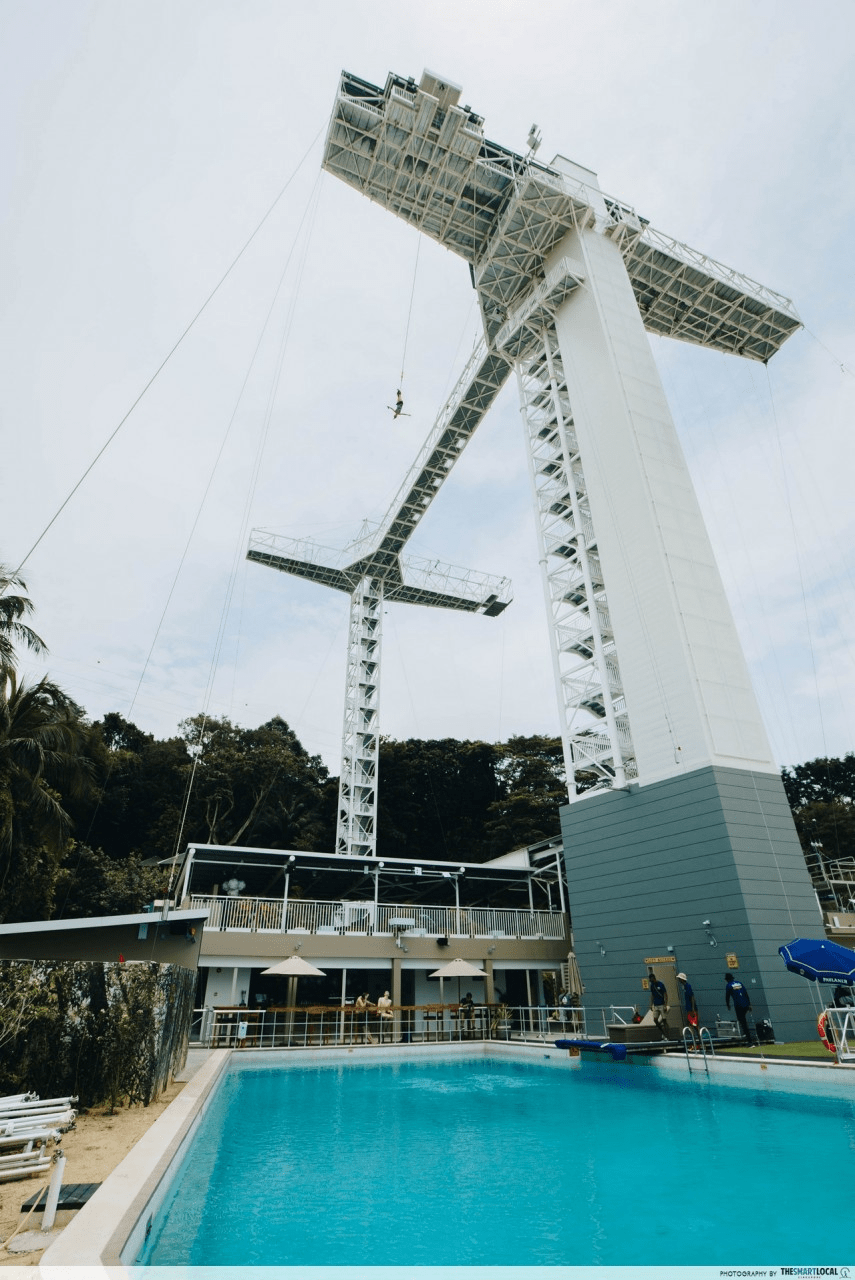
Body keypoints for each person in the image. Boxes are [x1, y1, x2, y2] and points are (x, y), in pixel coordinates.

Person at [725, 972, 754, 1042]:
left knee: (742, 1021)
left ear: (727, 979)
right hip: (745, 1004)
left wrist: (728, 1005)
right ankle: (747, 1035)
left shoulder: (729, 985)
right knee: (743, 1020)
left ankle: (749, 1040)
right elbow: (745, 993)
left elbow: (727, 997)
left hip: (738, 1005)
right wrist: (749, 1004)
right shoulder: (739, 983)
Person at [677, 972, 699, 1042]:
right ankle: (695, 1040)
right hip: (689, 1008)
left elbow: (692, 997)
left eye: (679, 979)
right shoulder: (684, 986)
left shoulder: (687, 986)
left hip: (691, 1008)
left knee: (695, 1025)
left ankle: (698, 1040)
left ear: (682, 979)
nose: (679, 980)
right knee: (690, 1024)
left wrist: (693, 1009)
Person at [648, 967, 669, 1039]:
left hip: (661, 1004)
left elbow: (665, 994)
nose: (652, 982)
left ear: (654, 978)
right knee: (655, 1020)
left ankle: (667, 1034)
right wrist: (651, 1004)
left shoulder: (660, 984)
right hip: (656, 1004)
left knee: (664, 1019)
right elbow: (652, 995)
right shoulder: (652, 986)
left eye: (652, 980)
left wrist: (665, 1004)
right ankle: (662, 1032)